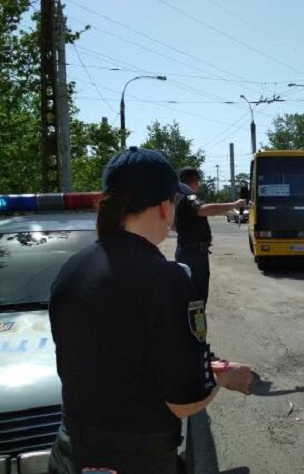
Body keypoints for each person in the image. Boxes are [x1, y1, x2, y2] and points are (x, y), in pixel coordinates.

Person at [48, 147, 252, 474]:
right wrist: (222, 376)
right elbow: (185, 402)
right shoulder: (167, 281)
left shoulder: (73, 268)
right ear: (163, 207)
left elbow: (118, 357)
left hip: (69, 453)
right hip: (135, 460)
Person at [174, 166, 246, 305]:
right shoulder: (189, 195)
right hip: (194, 251)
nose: (199, 184)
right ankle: (195, 324)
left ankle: (188, 322)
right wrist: (234, 204)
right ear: (194, 180)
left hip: (186, 248)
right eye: (198, 181)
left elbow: (173, 224)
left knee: (187, 290)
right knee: (197, 293)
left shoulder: (177, 196)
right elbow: (203, 209)